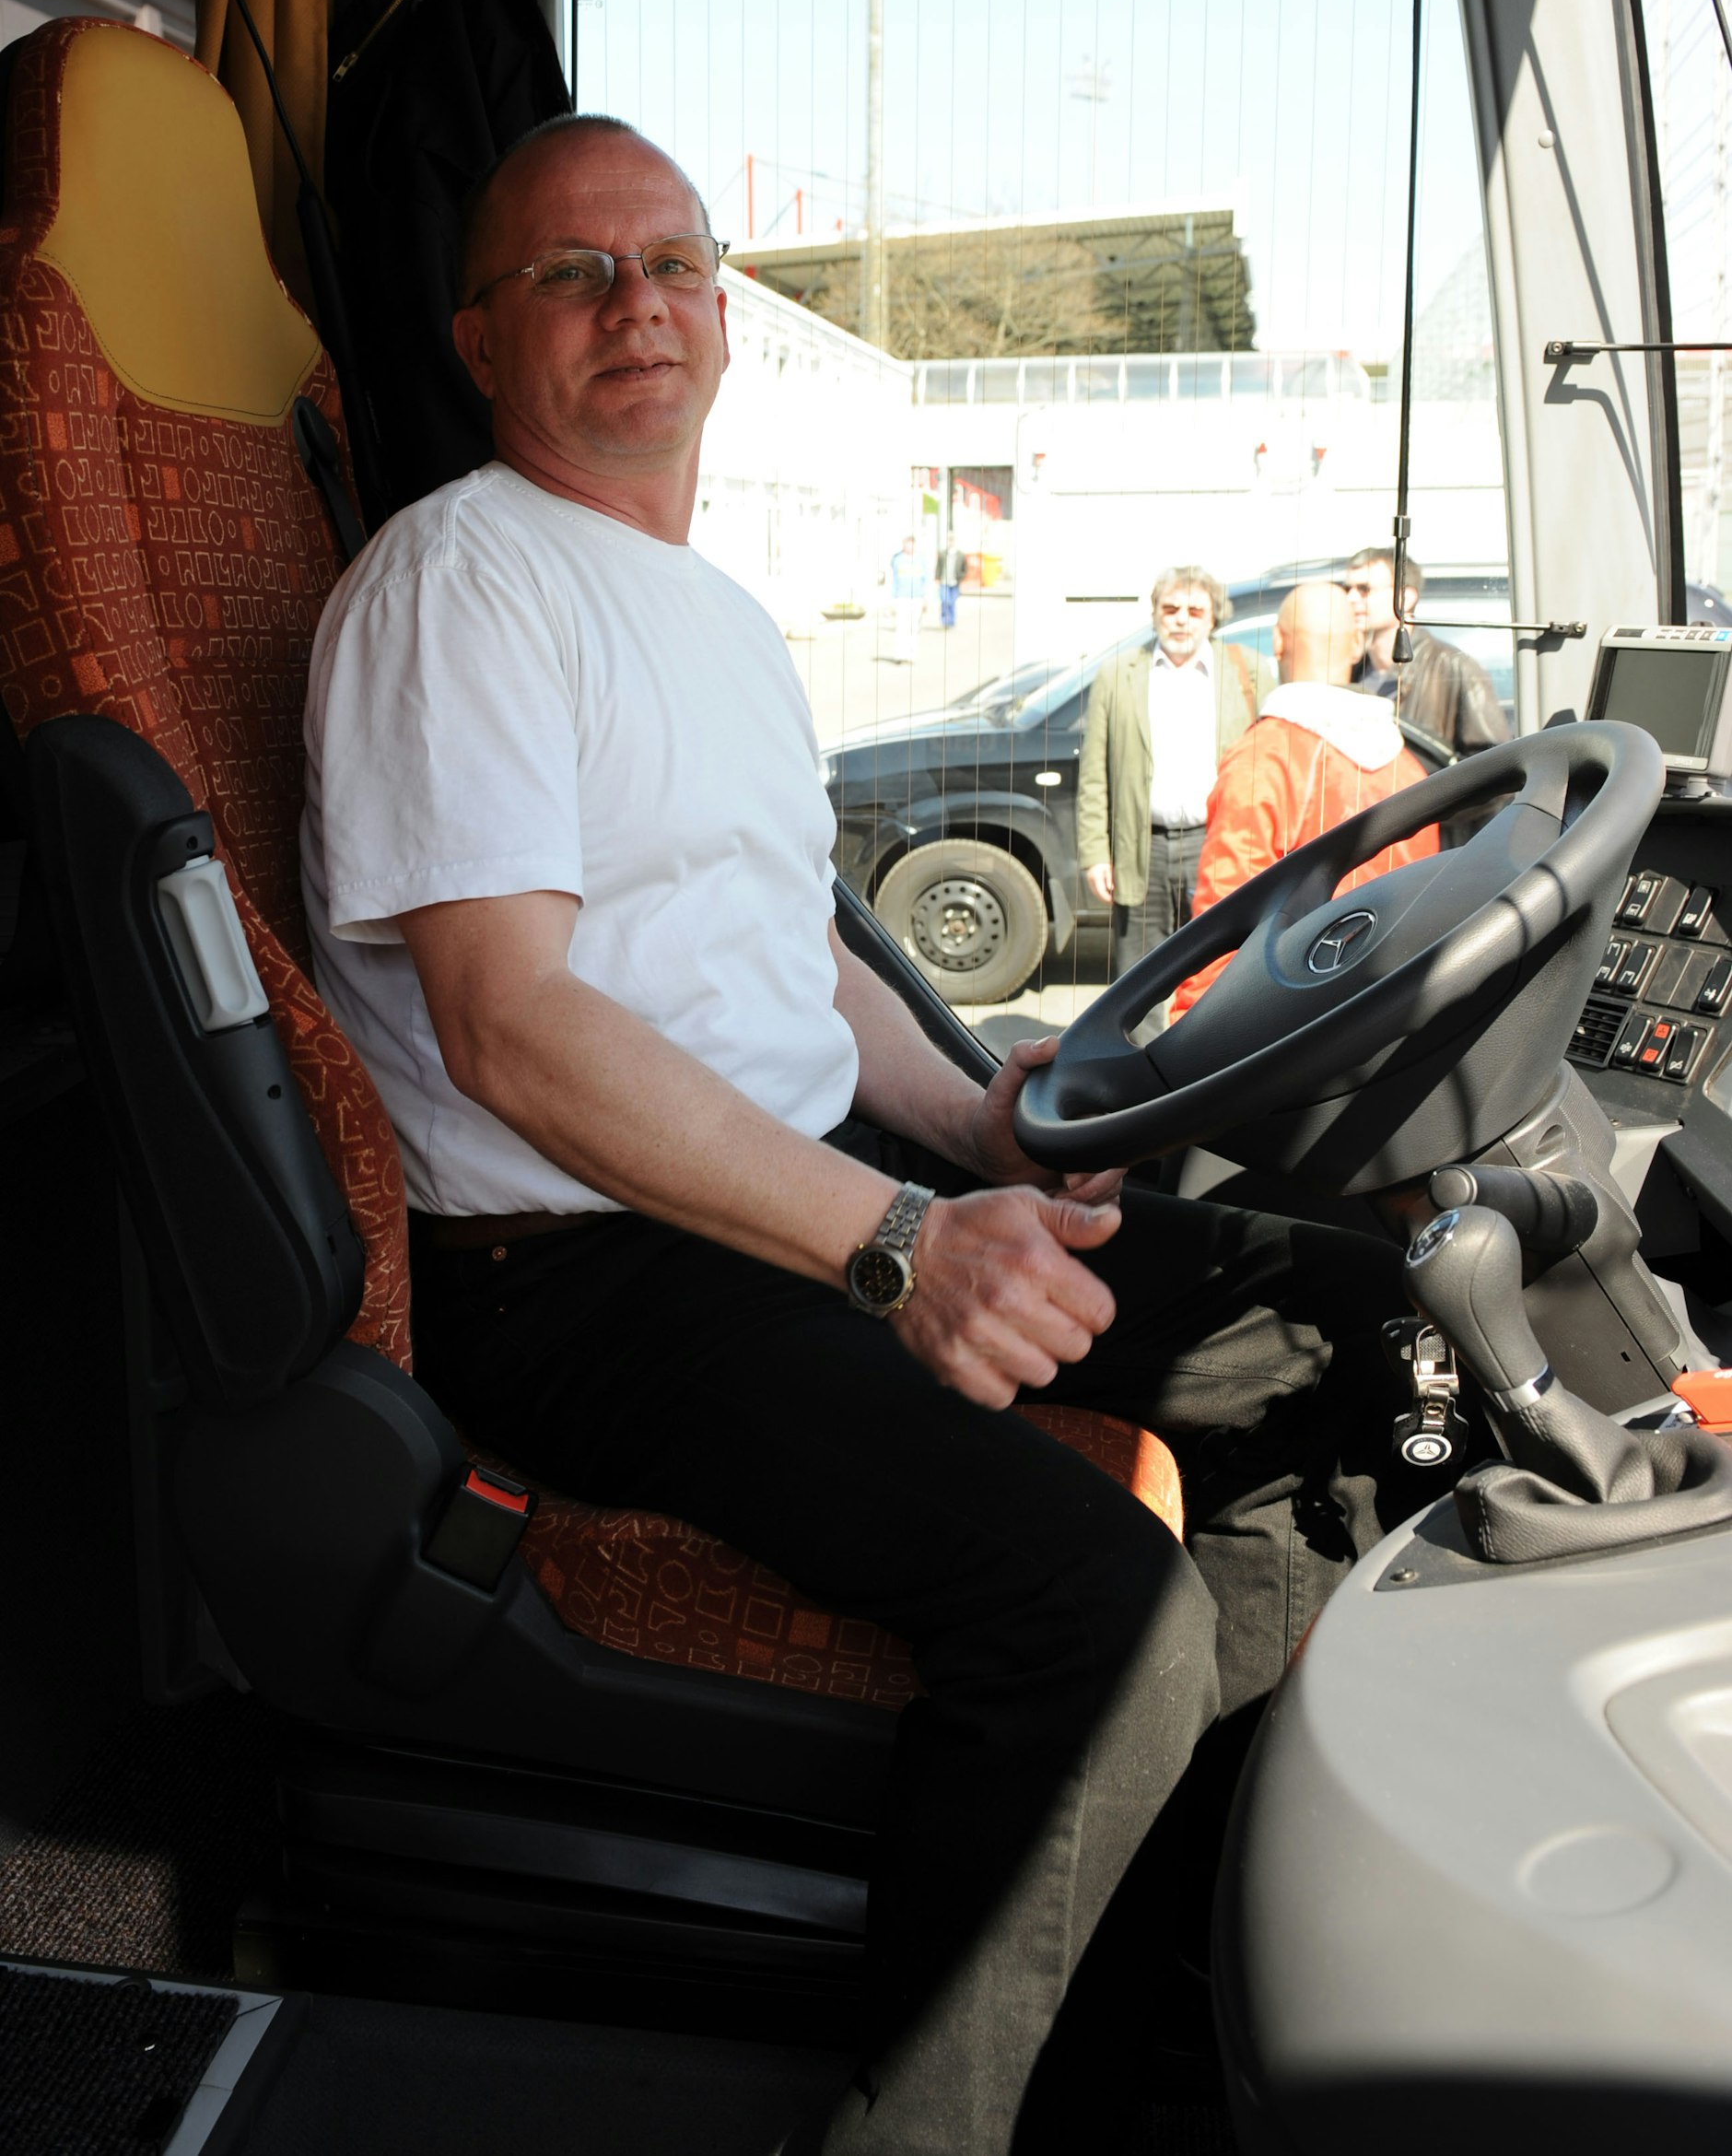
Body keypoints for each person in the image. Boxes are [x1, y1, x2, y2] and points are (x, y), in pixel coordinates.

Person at [301, 113, 1422, 2156]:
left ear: (726, 314)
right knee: (1093, 1608)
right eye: (570, 272)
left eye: (671, 263)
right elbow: (509, 1025)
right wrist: (898, 1243)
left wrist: (985, 1121)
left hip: (791, 1201)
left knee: (1362, 1338)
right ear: (478, 339)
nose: (635, 304)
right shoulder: (457, 584)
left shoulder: (714, 615)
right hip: (590, 1272)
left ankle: (1188, 1958)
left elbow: (797, 970)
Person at [1170, 581, 1440, 1018]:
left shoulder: (1264, 758)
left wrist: (1194, 1029)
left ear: (1278, 642)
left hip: (1288, 1020)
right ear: (1355, 646)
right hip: (1389, 1010)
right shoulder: (1407, 767)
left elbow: (1224, 918)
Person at [1076, 565, 1273, 975]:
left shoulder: (1248, 672)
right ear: (1154, 614)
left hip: (1217, 843)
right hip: (1141, 848)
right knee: (1139, 978)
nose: (1182, 620)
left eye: (1195, 611)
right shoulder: (1118, 674)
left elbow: (1269, 765)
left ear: (1213, 618)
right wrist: (1095, 854)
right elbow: (1094, 774)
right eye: (1171, 609)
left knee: (1216, 972)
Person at [1345, 544, 1510, 759]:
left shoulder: (1454, 668)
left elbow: (1494, 763)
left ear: (1404, 597)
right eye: (1347, 589)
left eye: (1364, 589)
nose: (1350, 598)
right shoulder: (1350, 669)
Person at [886, 532, 928, 661]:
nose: (909, 547)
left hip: (917, 597)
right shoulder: (897, 559)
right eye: (907, 544)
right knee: (901, 625)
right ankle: (900, 653)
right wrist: (892, 599)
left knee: (914, 626)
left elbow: (925, 580)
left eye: (911, 544)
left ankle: (911, 653)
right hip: (902, 596)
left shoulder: (921, 560)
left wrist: (925, 598)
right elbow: (893, 579)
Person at [937, 532, 966, 627]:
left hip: (955, 583)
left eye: (952, 540)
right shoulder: (942, 554)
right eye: (949, 540)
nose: (950, 542)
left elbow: (965, 569)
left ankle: (952, 621)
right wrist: (937, 578)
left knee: (952, 602)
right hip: (944, 582)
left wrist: (961, 577)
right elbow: (938, 567)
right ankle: (945, 621)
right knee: (945, 601)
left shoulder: (961, 555)